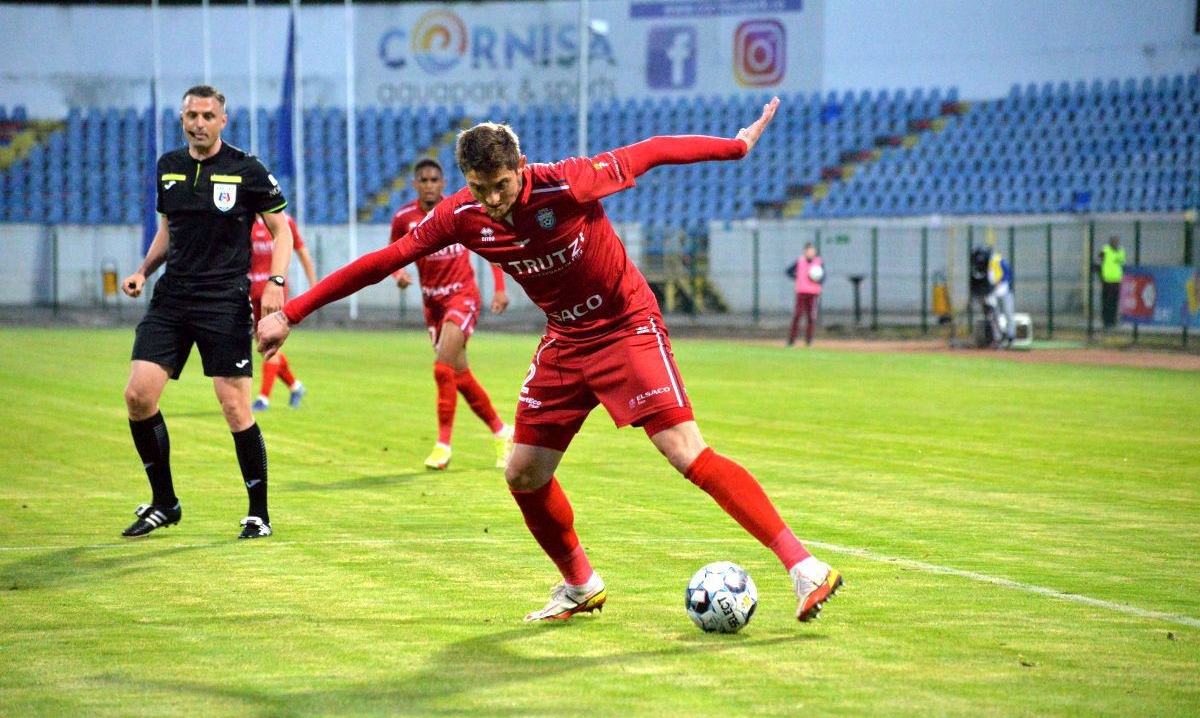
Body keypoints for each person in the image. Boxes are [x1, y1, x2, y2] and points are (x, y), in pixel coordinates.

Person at [258, 97, 844, 625]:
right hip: (565, 340)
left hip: (626, 326)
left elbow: (652, 151)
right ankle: (580, 584)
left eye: (501, 185)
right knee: (523, 473)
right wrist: (293, 312)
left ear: (520, 166)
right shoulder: (461, 215)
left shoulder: (567, 183)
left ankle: (805, 567)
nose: (493, 200)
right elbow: (382, 262)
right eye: (480, 188)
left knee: (684, 451)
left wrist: (735, 146)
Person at [121, 84, 290, 540]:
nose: (198, 123)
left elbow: (283, 232)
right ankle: (164, 503)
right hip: (172, 298)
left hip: (224, 300)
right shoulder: (169, 166)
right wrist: (142, 271)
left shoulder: (247, 169)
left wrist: (275, 283)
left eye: (207, 116)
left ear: (222, 121)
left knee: (235, 407)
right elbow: (167, 232)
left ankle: (259, 514)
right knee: (138, 396)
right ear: (182, 119)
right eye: (191, 115)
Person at [390, 157, 515, 470]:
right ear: (415, 185)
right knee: (460, 376)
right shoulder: (404, 218)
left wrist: (500, 288)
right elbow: (393, 253)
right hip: (433, 305)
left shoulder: (460, 210)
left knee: (442, 368)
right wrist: (399, 274)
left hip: (462, 298)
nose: (429, 185)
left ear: (443, 183)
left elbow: (490, 246)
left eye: (435, 180)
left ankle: (443, 446)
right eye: (424, 180)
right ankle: (502, 431)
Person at [250, 212, 316, 411]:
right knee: (265, 346)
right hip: (251, 291)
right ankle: (295, 387)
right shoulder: (245, 219)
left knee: (268, 342)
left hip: (273, 293)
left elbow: (302, 251)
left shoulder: (283, 221)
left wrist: (314, 286)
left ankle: (263, 398)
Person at [786, 242, 823, 346]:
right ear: (805, 252)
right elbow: (788, 271)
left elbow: (823, 276)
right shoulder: (800, 261)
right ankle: (792, 340)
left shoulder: (818, 262)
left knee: (811, 317)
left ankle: (809, 340)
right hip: (801, 292)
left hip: (813, 294)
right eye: (809, 251)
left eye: (813, 251)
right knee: (797, 315)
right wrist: (797, 277)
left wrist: (817, 279)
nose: (811, 253)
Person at [985, 248, 1015, 349]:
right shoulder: (987, 264)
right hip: (993, 294)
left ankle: (1011, 337)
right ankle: (997, 338)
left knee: (1008, 313)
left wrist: (999, 281)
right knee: (994, 315)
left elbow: (1008, 274)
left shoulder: (999, 261)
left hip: (1005, 292)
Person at [1097, 235, 1125, 331]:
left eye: (1116, 242)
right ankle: (1106, 322)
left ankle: (1113, 321)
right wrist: (1101, 273)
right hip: (1107, 281)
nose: (1115, 243)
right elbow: (1098, 260)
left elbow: (1121, 262)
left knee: (1114, 301)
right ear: (1110, 242)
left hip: (1117, 281)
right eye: (1113, 241)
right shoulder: (1105, 250)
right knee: (1106, 302)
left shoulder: (1121, 251)